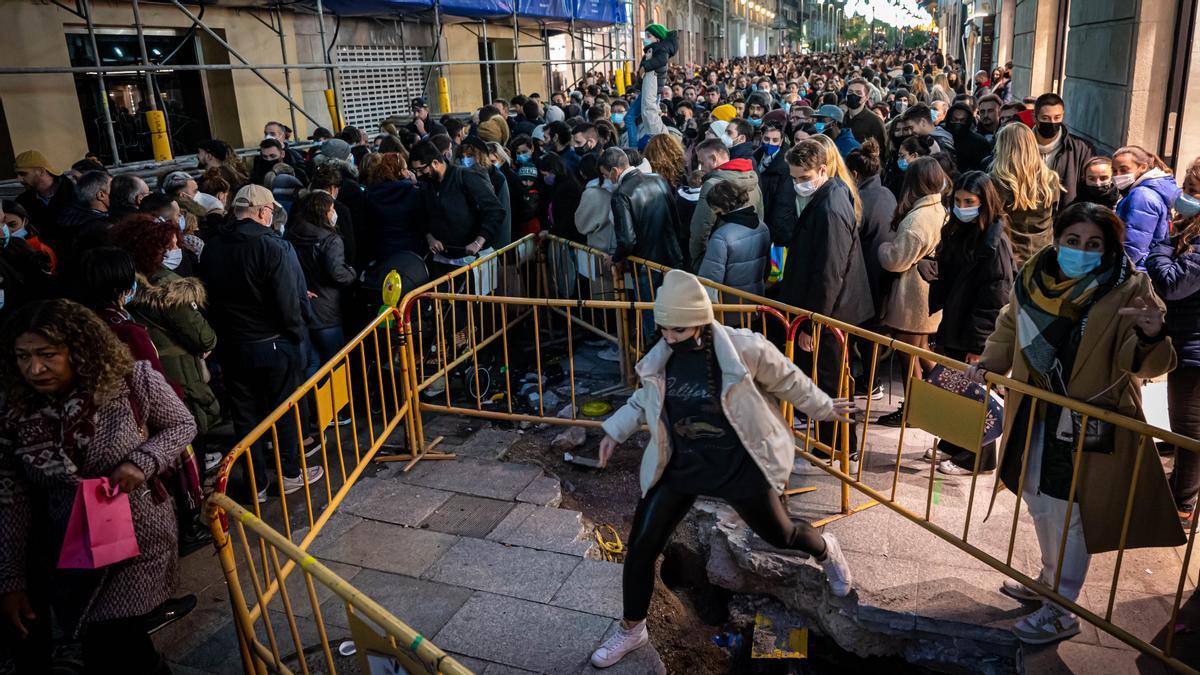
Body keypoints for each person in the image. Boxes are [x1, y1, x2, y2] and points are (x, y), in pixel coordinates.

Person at [588, 270, 854, 669]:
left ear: (699, 319)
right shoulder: (663, 354)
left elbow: (788, 379)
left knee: (781, 533)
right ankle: (632, 629)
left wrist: (823, 406)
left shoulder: (742, 348)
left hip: (736, 464)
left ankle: (825, 550)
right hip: (680, 464)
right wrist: (614, 431)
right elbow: (644, 401)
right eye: (663, 328)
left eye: (677, 329)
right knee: (642, 546)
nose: (669, 337)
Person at [968, 202, 1181, 645]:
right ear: (1058, 239)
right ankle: (1049, 581)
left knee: (1070, 511)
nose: (1081, 250)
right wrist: (991, 360)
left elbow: (1145, 365)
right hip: (1034, 407)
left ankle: (1063, 609)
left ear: (1109, 249)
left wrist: (1152, 332)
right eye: (1073, 240)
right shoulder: (1034, 275)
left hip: (1088, 419)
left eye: (1094, 244)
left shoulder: (1131, 288)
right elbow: (1010, 325)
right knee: (1037, 495)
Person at [0, 298, 196, 675]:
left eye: (47, 355)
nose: (34, 368)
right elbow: (11, 497)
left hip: (137, 541)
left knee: (116, 639)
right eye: (23, 356)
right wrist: (11, 577)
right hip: (69, 548)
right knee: (108, 645)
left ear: (80, 350)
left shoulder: (133, 381)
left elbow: (181, 425)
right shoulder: (15, 411)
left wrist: (144, 461)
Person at [199, 184, 323, 500]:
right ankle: (291, 473)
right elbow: (288, 305)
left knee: (246, 418)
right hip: (273, 345)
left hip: (232, 346)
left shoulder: (212, 247)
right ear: (264, 212)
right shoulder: (275, 247)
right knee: (284, 412)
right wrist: (297, 334)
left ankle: (258, 485)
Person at [780, 139, 872, 460]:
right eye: (793, 178)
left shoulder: (831, 206)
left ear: (822, 170)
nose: (798, 184)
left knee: (831, 380)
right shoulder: (826, 196)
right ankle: (831, 441)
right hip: (828, 310)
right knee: (824, 377)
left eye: (803, 178)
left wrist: (812, 324)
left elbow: (829, 273)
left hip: (831, 313)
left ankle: (841, 445)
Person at [927, 171, 1014, 474]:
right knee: (955, 388)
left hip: (972, 332)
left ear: (984, 203)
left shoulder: (994, 242)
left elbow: (994, 297)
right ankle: (954, 442)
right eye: (958, 200)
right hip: (955, 323)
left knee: (976, 395)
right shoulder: (960, 231)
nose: (962, 206)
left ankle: (977, 458)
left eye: (970, 201)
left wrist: (980, 346)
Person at [1145, 157, 1200, 529]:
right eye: (1187, 187)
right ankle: (1180, 491)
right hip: (1186, 340)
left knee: (1190, 429)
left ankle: (1183, 504)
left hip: (1195, 350)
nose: (1185, 196)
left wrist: (1161, 244)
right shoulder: (1191, 229)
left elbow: (1171, 283)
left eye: (1194, 191)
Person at [875, 156, 947, 429]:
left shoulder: (918, 218)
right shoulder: (940, 208)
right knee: (921, 353)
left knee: (910, 356)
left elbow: (897, 260)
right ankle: (933, 403)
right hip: (927, 293)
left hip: (913, 296)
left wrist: (883, 248)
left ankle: (915, 411)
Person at [286, 191, 357, 372]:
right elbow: (337, 273)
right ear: (324, 212)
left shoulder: (291, 234)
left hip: (302, 305)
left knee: (313, 362)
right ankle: (337, 399)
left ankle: (311, 400)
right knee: (335, 362)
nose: (334, 212)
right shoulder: (330, 240)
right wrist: (352, 273)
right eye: (332, 208)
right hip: (327, 310)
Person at [409, 140, 505, 267]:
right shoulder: (426, 186)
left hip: (474, 260)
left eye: (421, 170)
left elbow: (495, 210)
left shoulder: (466, 176)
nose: (418, 175)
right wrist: (430, 238)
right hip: (443, 260)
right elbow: (421, 215)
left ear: (435, 163)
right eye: (415, 171)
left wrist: (478, 242)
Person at [990, 123, 1061, 267]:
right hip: (1043, 254)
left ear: (1003, 147)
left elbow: (990, 221)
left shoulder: (996, 181)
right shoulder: (1051, 179)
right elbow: (1055, 213)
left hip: (1009, 258)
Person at [689, 138, 764, 269]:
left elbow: (701, 228)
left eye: (702, 162)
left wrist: (697, 261)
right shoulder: (752, 179)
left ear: (713, 159)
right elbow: (760, 216)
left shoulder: (712, 185)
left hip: (718, 257)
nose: (700, 168)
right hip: (750, 254)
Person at [845, 139, 897, 325]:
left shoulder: (860, 201)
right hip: (884, 276)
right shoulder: (887, 193)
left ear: (855, 175)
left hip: (866, 278)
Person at [695, 180, 770, 296]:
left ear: (721, 207)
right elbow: (766, 268)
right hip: (756, 300)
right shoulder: (763, 227)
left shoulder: (721, 236)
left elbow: (710, 279)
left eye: (714, 209)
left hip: (729, 304)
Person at [1112, 145, 1180, 269]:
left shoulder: (1142, 195)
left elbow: (1133, 247)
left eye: (1124, 169)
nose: (1117, 175)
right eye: (1114, 170)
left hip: (1135, 269)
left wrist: (1115, 270)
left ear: (1142, 167)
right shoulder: (1147, 191)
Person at [1031, 93, 1094, 207]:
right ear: (1035, 117)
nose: (1052, 122)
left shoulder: (1081, 149)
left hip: (1065, 216)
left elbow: (1089, 188)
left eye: (1057, 117)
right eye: (1045, 118)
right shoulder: (1022, 146)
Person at [12, 150, 77, 252]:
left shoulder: (76, 194)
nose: (19, 179)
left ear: (41, 171)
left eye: (23, 174)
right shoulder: (23, 202)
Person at [364, 152, 427, 257]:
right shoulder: (413, 192)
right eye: (406, 168)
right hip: (411, 250)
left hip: (382, 249)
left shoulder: (371, 193)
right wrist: (417, 183)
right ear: (401, 172)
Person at [755, 122, 796, 245]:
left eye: (775, 140)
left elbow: (783, 205)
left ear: (781, 140)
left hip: (772, 227)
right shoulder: (755, 157)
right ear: (761, 136)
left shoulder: (787, 165)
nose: (770, 143)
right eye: (767, 139)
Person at [638, 24, 677, 139]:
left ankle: (661, 140)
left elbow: (660, 61)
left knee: (649, 112)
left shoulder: (660, 50)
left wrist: (645, 66)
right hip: (653, 90)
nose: (645, 39)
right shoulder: (654, 51)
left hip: (653, 89)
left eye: (649, 36)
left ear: (658, 38)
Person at [844, 77, 887, 153]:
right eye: (850, 92)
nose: (853, 95)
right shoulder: (841, 118)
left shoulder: (875, 121)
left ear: (866, 97)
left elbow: (882, 152)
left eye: (858, 93)